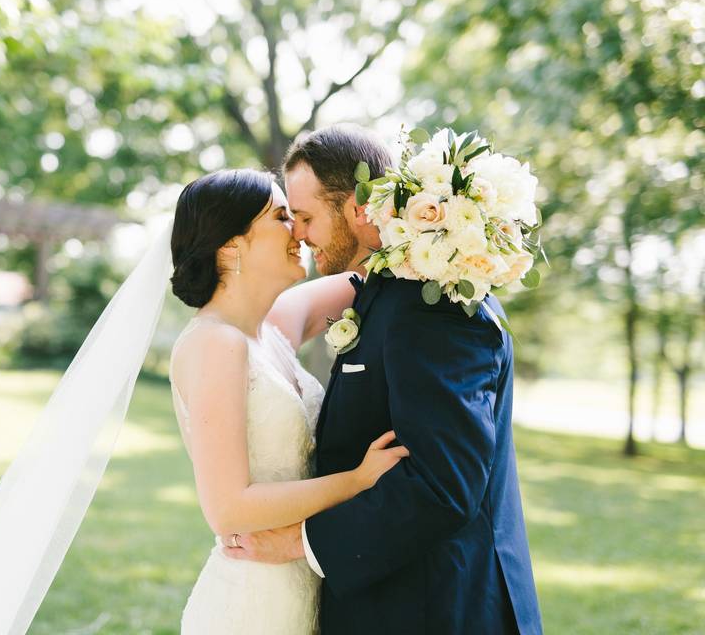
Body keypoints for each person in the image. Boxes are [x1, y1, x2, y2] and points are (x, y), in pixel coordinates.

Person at [221, 125, 543, 635]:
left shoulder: (432, 303)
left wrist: (300, 542)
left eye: (305, 217)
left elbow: (444, 486)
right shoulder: (385, 290)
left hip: (438, 610)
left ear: (356, 206)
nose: (297, 234)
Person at [168, 169, 409, 633]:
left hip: (303, 590)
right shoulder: (214, 345)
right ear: (230, 245)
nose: (299, 230)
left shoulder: (274, 328)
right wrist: (357, 481)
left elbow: (370, 269)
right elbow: (228, 508)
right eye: (282, 217)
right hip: (250, 606)